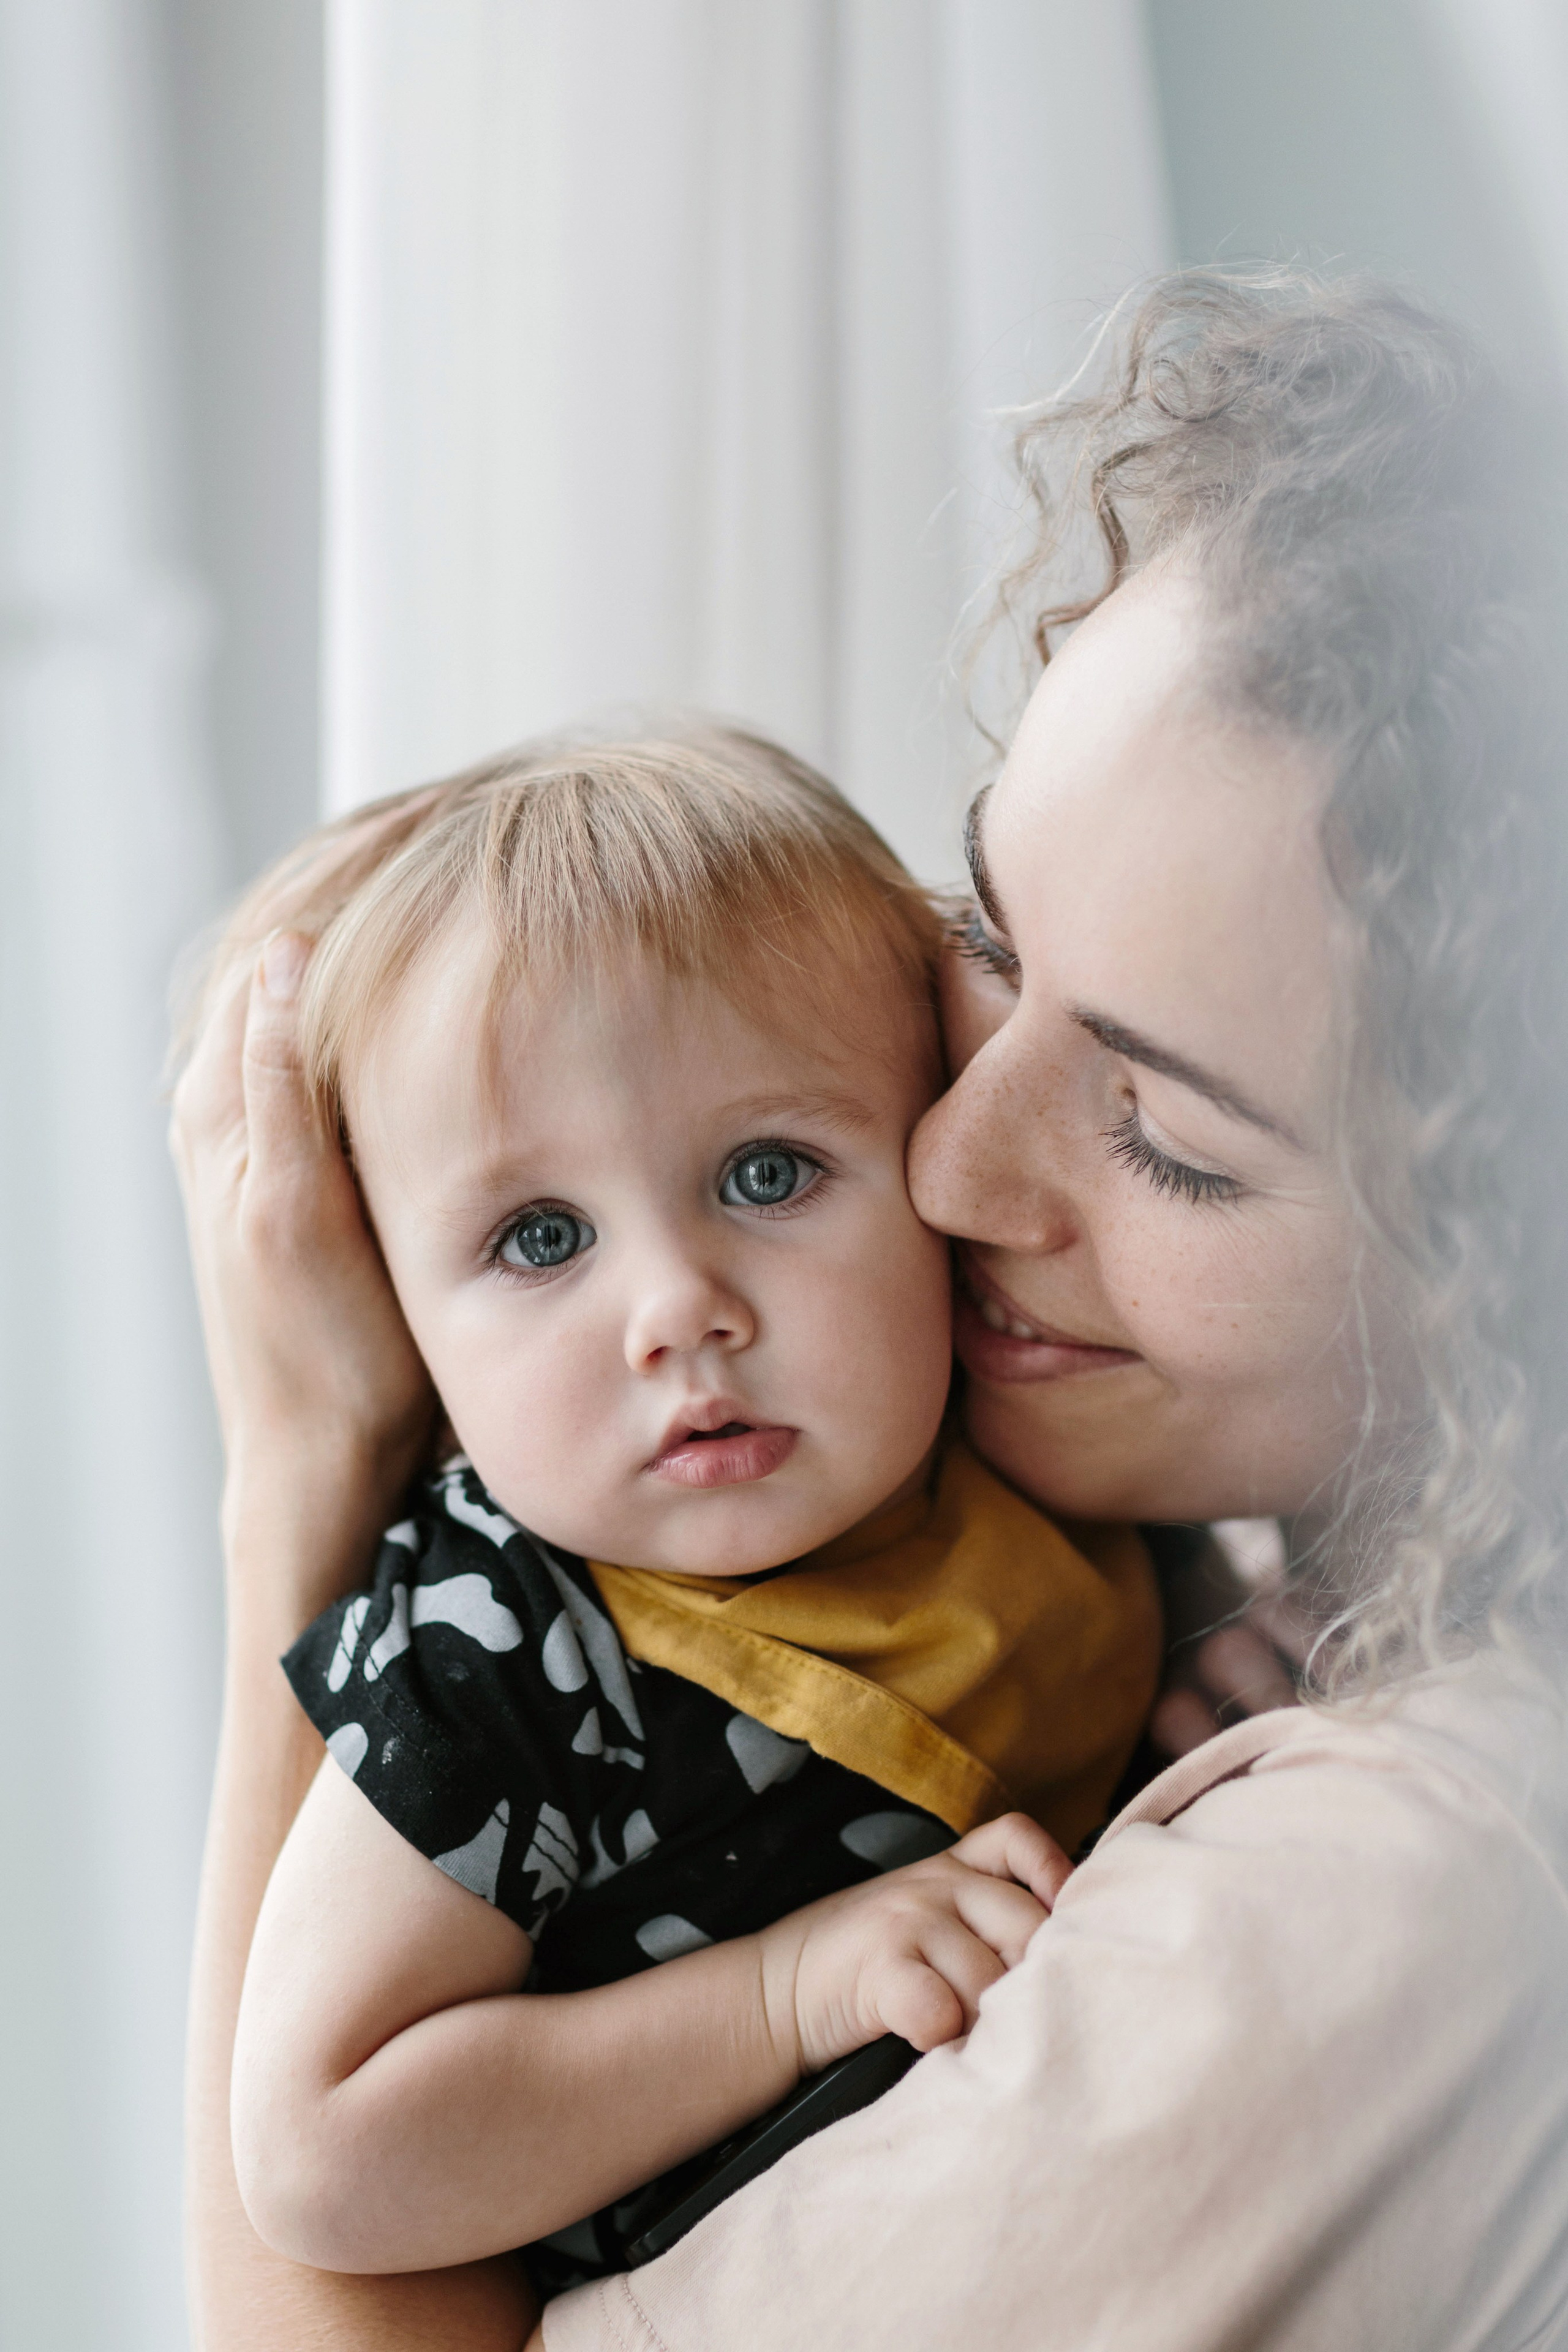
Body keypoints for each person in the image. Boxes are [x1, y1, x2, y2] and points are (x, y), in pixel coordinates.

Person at [175, 271, 1568, 2351]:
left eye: (1168, 1137)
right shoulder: (578, 1620)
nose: (939, 1166)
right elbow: (333, 2136)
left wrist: (298, 1490)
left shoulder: (1408, 1892)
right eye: (987, 933)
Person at [214, 729, 1157, 2297]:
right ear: (402, 1324)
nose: (676, 1309)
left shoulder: (1028, 1460)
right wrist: (784, 1994)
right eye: (538, 1236)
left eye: (770, 1174)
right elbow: (323, 2156)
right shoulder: (500, 1638)